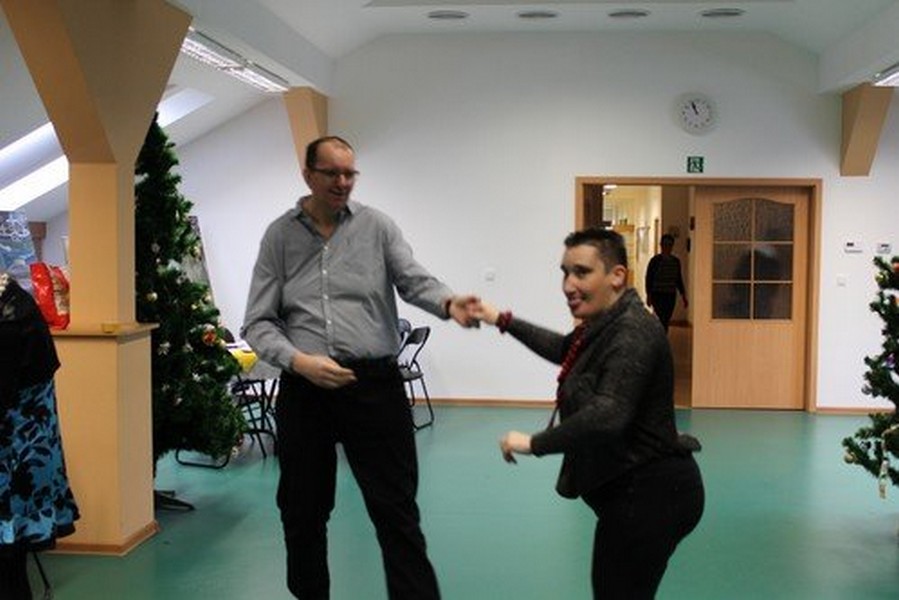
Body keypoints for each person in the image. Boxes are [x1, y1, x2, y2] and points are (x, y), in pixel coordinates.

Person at [241, 135, 478, 600]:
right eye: (332, 173)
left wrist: (449, 303)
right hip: (306, 389)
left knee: (397, 512)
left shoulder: (376, 227)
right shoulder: (280, 237)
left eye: (350, 173)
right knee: (302, 512)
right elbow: (258, 321)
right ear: (308, 175)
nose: (343, 182)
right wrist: (299, 361)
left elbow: (414, 280)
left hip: (374, 387)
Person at [473, 228, 704, 599]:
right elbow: (563, 348)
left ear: (617, 276)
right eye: (565, 273)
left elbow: (608, 412)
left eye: (581, 272)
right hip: (634, 488)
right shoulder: (605, 323)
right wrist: (500, 318)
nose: (568, 285)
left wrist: (534, 443)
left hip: (651, 492)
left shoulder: (633, 331)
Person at [0, 272, 80, 599]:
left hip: (15, 471)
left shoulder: (10, 321)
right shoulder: (16, 303)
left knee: (9, 569)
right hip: (27, 468)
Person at [644, 233, 688, 332]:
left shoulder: (676, 262)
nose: (667, 247)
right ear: (661, 245)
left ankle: (662, 336)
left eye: (669, 244)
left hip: (670, 294)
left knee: (666, 318)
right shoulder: (655, 261)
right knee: (661, 318)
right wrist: (648, 295)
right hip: (657, 294)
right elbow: (649, 278)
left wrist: (683, 296)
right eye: (665, 244)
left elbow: (678, 279)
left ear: (672, 246)